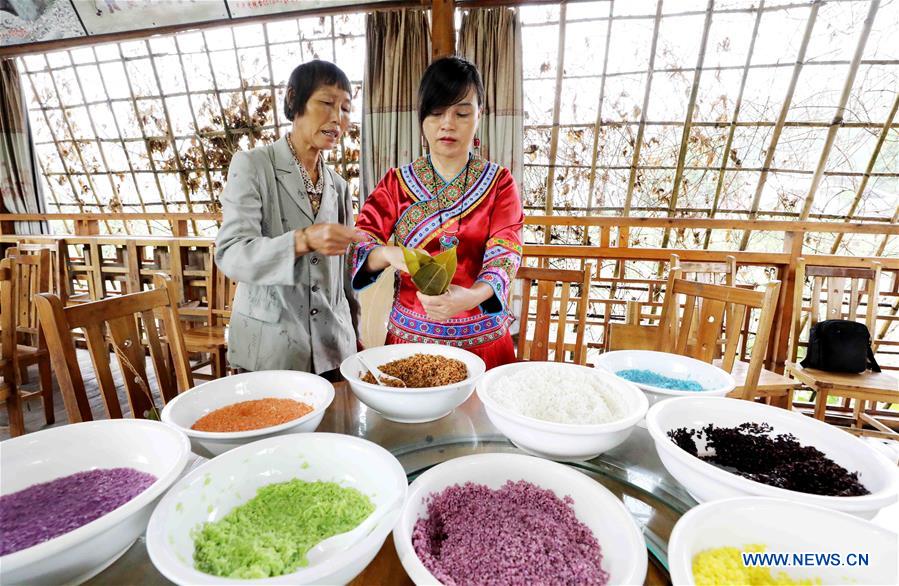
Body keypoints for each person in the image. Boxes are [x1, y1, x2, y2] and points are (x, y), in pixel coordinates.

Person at [350, 56, 523, 369]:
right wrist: (389, 254)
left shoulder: (500, 183)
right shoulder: (395, 183)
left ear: (479, 116)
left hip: (483, 344)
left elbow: (506, 252)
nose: (448, 123)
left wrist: (470, 297)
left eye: (461, 112)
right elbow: (361, 244)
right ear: (422, 119)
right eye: (437, 112)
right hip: (409, 343)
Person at [215, 60, 364, 377]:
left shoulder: (338, 186)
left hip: (333, 350)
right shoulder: (253, 166)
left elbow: (346, 277)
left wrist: (354, 333)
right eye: (326, 102)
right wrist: (303, 240)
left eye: (346, 108)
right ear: (294, 100)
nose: (337, 118)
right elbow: (231, 254)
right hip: (271, 351)